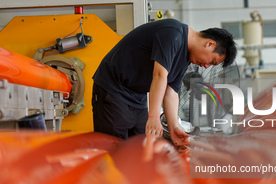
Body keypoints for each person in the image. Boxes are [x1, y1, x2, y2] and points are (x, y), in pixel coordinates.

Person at [92, 19, 237, 146]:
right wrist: (154, 117)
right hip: (113, 90)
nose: (206, 66)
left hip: (137, 97)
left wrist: (174, 128)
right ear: (210, 44)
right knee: (114, 150)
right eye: (212, 61)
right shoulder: (173, 33)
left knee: (143, 147)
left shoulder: (186, 58)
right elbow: (159, 74)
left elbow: (171, 91)